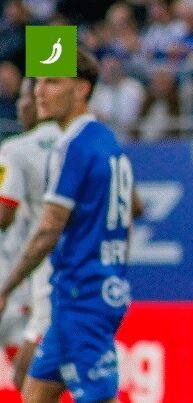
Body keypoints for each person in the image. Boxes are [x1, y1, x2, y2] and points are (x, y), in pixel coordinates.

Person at [0, 49, 136, 402]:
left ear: (82, 89)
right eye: (38, 83)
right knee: (33, 392)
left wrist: (6, 287)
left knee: (98, 397)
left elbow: (48, 229)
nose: (40, 92)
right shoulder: (106, 139)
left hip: (82, 297)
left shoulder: (71, 146)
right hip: (79, 294)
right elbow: (133, 209)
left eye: (53, 82)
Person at [0, 77, 60, 391]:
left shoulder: (16, 149)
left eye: (27, 96)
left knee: (29, 379)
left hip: (23, 272)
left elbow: (3, 216)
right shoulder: (84, 143)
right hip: (54, 275)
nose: (20, 106)